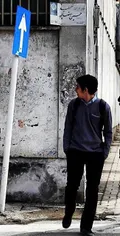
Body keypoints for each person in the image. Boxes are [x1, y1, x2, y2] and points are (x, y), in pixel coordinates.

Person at [62, 74, 112, 236]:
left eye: (77, 87)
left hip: (95, 154)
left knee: (92, 190)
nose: (75, 89)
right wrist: (67, 148)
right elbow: (68, 127)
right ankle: (69, 211)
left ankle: (86, 227)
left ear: (85, 89)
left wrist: (104, 152)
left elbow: (108, 132)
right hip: (75, 151)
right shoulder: (74, 105)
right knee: (71, 186)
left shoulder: (103, 107)